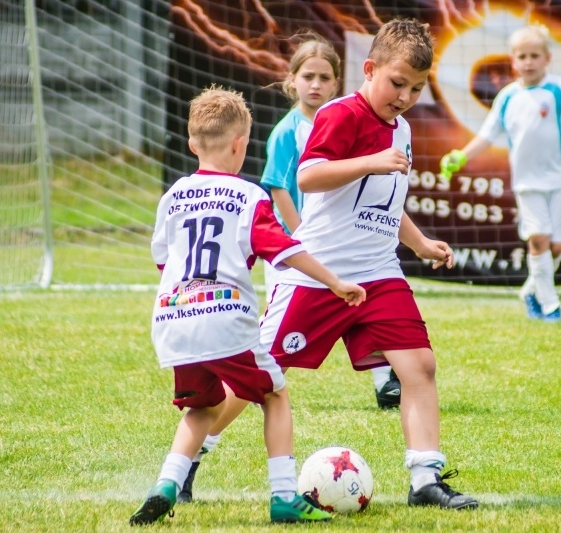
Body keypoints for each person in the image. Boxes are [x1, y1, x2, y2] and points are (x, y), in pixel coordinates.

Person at [190, 18, 478, 511]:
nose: (404, 96)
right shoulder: (341, 114)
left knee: (420, 367)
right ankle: (192, 454)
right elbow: (311, 175)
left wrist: (420, 242)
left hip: (380, 272)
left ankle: (425, 479)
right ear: (369, 70)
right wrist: (370, 161)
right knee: (259, 374)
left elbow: (386, 202)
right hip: (319, 272)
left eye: (414, 88)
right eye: (396, 83)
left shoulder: (402, 129)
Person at [129, 85, 366, 526]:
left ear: (191, 143)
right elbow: (285, 251)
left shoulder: (173, 195)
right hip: (225, 319)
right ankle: (283, 496)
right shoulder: (249, 196)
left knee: (201, 406)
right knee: (275, 394)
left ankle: (166, 482)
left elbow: (163, 257)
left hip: (174, 318)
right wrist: (335, 282)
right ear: (241, 145)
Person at [258, 34, 402, 411]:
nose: (316, 84)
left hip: (343, 246)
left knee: (362, 305)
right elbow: (280, 189)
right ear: (292, 80)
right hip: (293, 250)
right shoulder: (288, 131)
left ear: (337, 82)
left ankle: (385, 379)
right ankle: (257, 380)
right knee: (280, 328)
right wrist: (298, 241)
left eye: (324, 77)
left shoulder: (351, 119)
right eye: (308, 76)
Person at [440, 24, 561, 323]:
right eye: (522, 56)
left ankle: (530, 290)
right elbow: (486, 135)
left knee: (557, 247)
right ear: (513, 60)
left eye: (535, 55)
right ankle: (550, 306)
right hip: (526, 183)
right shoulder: (507, 97)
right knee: (538, 240)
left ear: (547, 58)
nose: (529, 62)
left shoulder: (560, 89)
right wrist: (460, 156)